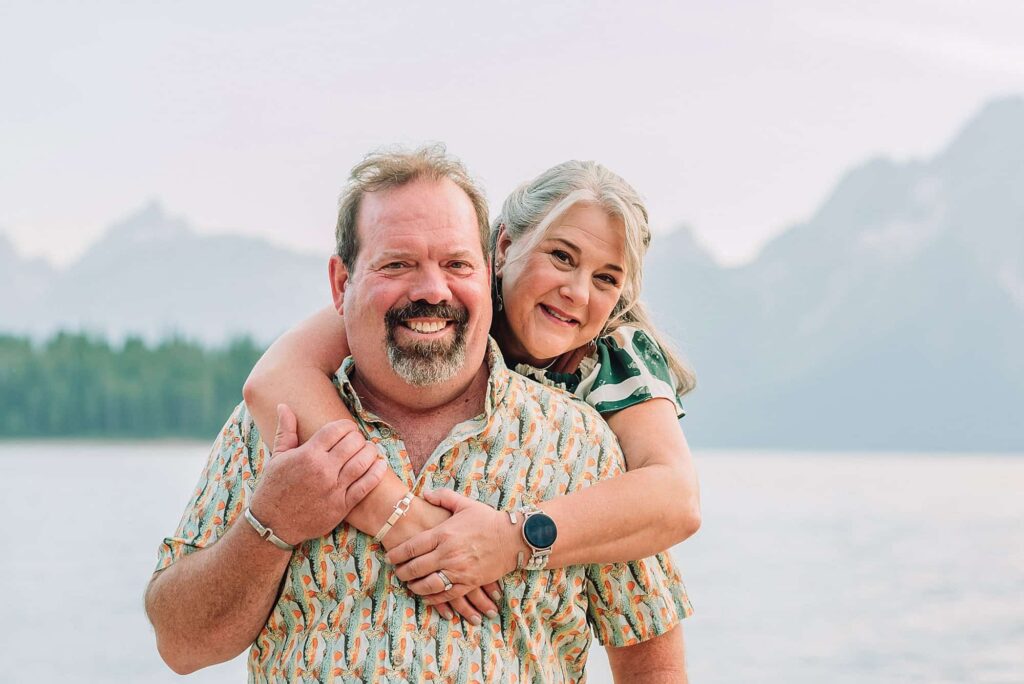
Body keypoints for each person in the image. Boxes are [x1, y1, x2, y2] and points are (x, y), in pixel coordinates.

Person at [145, 146, 690, 682]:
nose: (432, 289)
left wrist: (512, 539)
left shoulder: (588, 440)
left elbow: (671, 529)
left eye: (455, 264)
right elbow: (181, 647)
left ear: (481, 269)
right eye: (397, 264)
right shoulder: (281, 421)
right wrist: (272, 524)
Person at [244, 159, 701, 625]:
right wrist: (401, 519)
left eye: (607, 278)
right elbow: (275, 378)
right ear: (502, 248)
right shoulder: (439, 304)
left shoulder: (612, 358)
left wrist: (508, 540)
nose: (578, 292)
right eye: (561, 257)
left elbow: (677, 497)